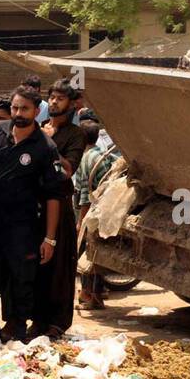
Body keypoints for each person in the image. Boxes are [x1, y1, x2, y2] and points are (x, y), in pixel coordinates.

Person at [0, 86, 64, 343]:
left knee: (21, 280)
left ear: (37, 112)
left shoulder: (45, 148)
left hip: (24, 228)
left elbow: (54, 196)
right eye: (15, 107)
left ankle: (16, 328)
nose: (18, 113)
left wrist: (49, 238)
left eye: (24, 108)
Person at [33, 79, 87, 338]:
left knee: (60, 266)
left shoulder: (75, 135)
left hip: (61, 205)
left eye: (60, 98)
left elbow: (67, 170)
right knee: (37, 266)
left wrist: (49, 143)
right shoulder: (39, 129)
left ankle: (57, 322)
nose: (54, 102)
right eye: (52, 97)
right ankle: (38, 320)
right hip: (36, 206)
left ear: (71, 104)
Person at [73, 120, 120, 311]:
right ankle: (97, 294)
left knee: (87, 253)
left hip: (93, 213)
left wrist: (81, 222)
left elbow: (86, 194)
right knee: (96, 255)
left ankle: (91, 296)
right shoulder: (99, 155)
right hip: (106, 210)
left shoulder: (85, 159)